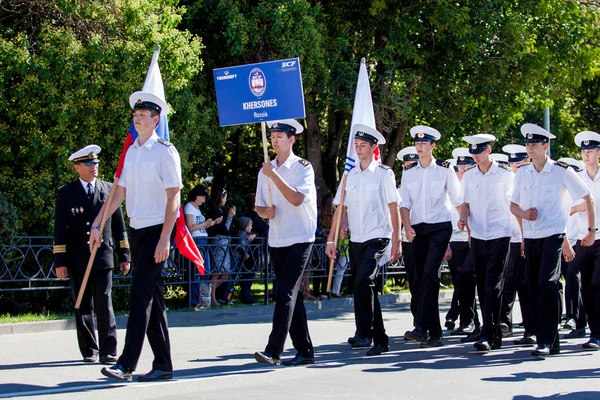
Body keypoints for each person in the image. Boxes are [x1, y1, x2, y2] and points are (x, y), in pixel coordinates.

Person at [92, 92, 182, 381]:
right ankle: (163, 365)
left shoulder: (165, 151)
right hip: (138, 229)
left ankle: (126, 364)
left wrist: (165, 238)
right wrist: (97, 223)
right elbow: (119, 191)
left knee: (139, 296)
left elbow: (174, 198)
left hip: (158, 229)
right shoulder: (131, 151)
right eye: (136, 113)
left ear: (156, 120)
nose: (138, 116)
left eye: (144, 113)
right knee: (152, 299)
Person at [510, 123, 595, 357]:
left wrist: (591, 230)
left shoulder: (561, 171)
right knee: (534, 286)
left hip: (554, 235)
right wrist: (524, 214)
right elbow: (513, 205)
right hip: (532, 236)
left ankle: (546, 340)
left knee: (547, 283)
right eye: (527, 144)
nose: (530, 148)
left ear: (545, 146)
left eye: (534, 144)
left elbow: (588, 197)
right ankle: (547, 339)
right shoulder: (523, 173)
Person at [326, 123, 402, 356]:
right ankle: (369, 335)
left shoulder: (383, 174)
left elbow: (393, 207)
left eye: (363, 145)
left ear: (373, 147)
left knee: (363, 282)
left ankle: (372, 335)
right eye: (356, 145)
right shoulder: (350, 176)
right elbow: (341, 209)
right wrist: (332, 238)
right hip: (357, 238)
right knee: (361, 286)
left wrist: (397, 240)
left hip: (378, 237)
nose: (358, 149)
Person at [53, 144, 130, 364]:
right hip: (78, 258)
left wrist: (124, 254)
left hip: (103, 255)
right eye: (88, 163)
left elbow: (118, 225)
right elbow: (60, 229)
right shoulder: (66, 193)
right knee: (82, 303)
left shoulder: (109, 190)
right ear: (77, 167)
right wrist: (60, 260)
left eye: (95, 162)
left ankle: (109, 350)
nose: (93, 166)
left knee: (104, 302)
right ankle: (89, 350)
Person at [253, 118, 317, 367]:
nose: (275, 140)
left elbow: (297, 199)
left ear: (291, 139)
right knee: (293, 295)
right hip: (277, 237)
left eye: (280, 136)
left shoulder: (303, 167)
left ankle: (274, 351)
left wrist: (275, 175)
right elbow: (259, 205)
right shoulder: (265, 170)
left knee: (284, 292)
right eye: (273, 136)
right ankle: (305, 350)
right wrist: (262, 212)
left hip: (300, 237)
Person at [399, 125, 462, 348]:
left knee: (429, 275)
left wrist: (464, 222)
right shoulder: (409, 172)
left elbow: (457, 199)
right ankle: (433, 333)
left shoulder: (445, 169)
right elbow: (404, 204)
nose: (419, 147)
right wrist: (406, 227)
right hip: (418, 229)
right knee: (419, 279)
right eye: (417, 143)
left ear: (433, 146)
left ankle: (421, 327)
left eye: (424, 143)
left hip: (440, 228)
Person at [458, 134, 513, 352]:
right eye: (472, 152)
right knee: (482, 283)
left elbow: (513, 203)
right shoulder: (470, 176)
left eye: (479, 152)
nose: (475, 156)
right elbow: (465, 204)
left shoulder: (504, 174)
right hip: (479, 234)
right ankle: (492, 332)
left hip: (500, 233)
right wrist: (463, 218)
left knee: (494, 283)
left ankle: (489, 333)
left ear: (488, 150)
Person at [568, 131, 600, 350]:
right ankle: (594, 332)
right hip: (582, 239)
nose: (586, 155)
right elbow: (563, 208)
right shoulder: (575, 177)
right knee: (585, 286)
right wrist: (578, 207)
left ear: (599, 153)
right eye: (583, 151)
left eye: (590, 151)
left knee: (598, 284)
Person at [501, 144, 535, 346]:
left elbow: (523, 211)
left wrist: (524, 238)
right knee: (505, 283)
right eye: (512, 162)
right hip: (505, 238)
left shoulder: (529, 179)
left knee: (525, 285)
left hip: (523, 238)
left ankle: (531, 329)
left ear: (527, 161)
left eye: (519, 162)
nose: (515, 166)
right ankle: (504, 323)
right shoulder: (505, 178)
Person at [444, 148, 480, 336]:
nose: (462, 171)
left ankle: (472, 320)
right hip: (456, 242)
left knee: (470, 279)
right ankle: (469, 320)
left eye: (466, 168)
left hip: (476, 239)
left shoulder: (475, 185)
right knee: (461, 282)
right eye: (459, 168)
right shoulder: (451, 192)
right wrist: (448, 245)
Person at [556, 157, 588, 339]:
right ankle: (577, 319)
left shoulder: (585, 191)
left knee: (576, 279)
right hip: (564, 240)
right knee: (571, 279)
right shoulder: (564, 194)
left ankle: (576, 318)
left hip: (581, 241)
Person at [184, 185, 218, 309]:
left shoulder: (197, 209)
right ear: (196, 195)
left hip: (203, 240)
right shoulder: (189, 207)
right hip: (196, 241)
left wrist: (210, 224)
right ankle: (194, 302)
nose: (204, 200)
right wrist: (205, 224)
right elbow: (191, 227)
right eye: (202, 197)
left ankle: (201, 300)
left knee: (205, 270)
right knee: (196, 272)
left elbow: (199, 225)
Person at [206, 187, 235, 306]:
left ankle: (206, 291)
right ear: (220, 198)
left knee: (225, 274)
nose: (226, 200)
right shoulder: (214, 212)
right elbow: (224, 230)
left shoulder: (220, 211)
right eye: (225, 197)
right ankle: (212, 298)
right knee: (217, 272)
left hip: (224, 245)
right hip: (218, 245)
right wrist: (230, 216)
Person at [232, 216, 257, 304]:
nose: (251, 227)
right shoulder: (242, 234)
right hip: (238, 258)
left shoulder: (245, 233)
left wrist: (255, 234)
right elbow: (241, 244)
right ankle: (225, 296)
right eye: (250, 225)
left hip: (240, 258)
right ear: (244, 225)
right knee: (232, 277)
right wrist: (246, 254)